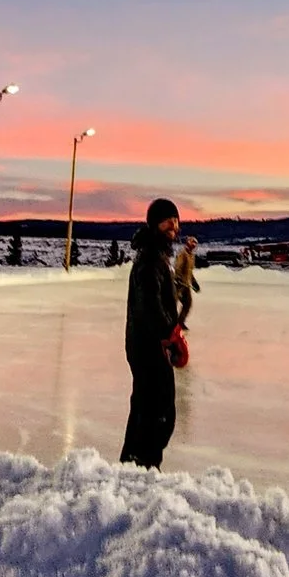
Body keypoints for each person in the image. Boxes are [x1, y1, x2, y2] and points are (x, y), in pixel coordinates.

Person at [118, 197, 184, 468]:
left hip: (149, 344)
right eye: (168, 220)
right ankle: (142, 464)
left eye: (177, 220)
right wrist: (169, 336)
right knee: (157, 410)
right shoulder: (149, 259)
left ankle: (136, 463)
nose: (174, 226)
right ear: (154, 222)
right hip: (148, 346)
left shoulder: (157, 255)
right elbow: (149, 305)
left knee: (150, 407)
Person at [172, 233, 199, 324]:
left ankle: (180, 322)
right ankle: (171, 323)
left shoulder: (192, 256)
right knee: (173, 303)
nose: (194, 244)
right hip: (179, 284)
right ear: (188, 243)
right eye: (192, 242)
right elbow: (178, 268)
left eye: (195, 243)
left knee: (187, 304)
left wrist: (194, 283)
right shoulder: (182, 254)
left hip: (186, 284)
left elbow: (189, 271)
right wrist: (178, 279)